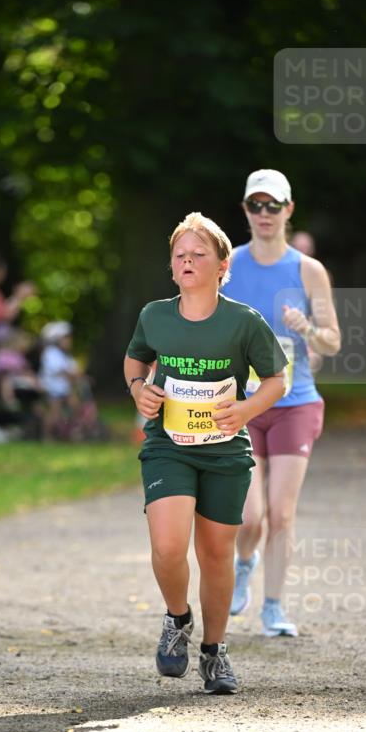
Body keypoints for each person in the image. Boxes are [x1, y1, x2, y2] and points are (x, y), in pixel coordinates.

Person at [124, 212, 287, 694]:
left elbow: (277, 380)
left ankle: (214, 652)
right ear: (172, 268)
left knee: (216, 553)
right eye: (181, 255)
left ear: (222, 265)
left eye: (199, 254)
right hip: (168, 447)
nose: (188, 261)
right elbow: (136, 358)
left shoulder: (243, 322)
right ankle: (178, 619)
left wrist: (245, 409)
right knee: (169, 546)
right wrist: (138, 389)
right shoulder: (155, 315)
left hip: (224, 453)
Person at [221, 169, 340, 635]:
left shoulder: (308, 271)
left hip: (296, 402)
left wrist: (307, 329)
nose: (265, 214)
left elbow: (332, 341)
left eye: (274, 206)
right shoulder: (226, 264)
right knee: (249, 516)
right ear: (246, 210)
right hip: (241, 404)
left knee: (281, 513)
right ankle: (244, 562)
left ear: (289, 210)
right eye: (257, 205)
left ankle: (273, 608)